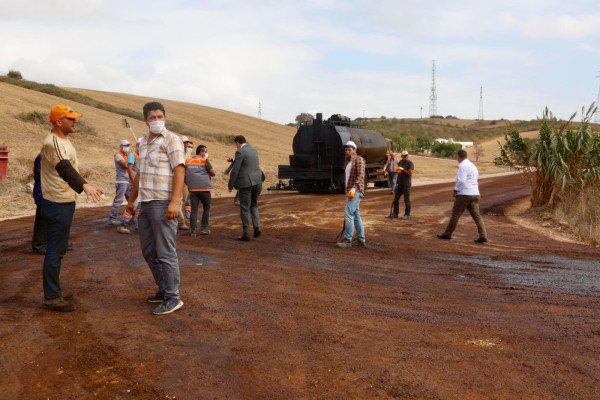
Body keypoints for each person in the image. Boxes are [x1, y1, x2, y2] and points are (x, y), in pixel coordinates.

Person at [40, 104, 103, 311]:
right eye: (71, 118)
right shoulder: (53, 143)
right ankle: (51, 297)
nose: (75, 121)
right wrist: (84, 185)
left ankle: (54, 292)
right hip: (57, 202)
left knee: (58, 249)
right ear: (59, 122)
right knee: (55, 250)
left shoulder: (63, 140)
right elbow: (64, 167)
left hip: (64, 200)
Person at [126, 101, 186, 315]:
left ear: (165, 117)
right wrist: (132, 200)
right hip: (146, 202)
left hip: (163, 201)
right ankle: (164, 289)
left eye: (160, 117)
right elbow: (139, 174)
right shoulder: (143, 143)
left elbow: (180, 170)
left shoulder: (172, 139)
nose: (157, 121)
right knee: (149, 251)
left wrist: (174, 202)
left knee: (166, 252)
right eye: (153, 117)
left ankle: (173, 297)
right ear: (145, 120)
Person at [437, 149, 488, 243]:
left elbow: (461, 181)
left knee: (456, 214)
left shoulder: (463, 166)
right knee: (477, 216)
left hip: (464, 194)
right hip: (475, 194)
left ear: (459, 157)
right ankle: (483, 235)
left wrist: (456, 190)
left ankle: (448, 234)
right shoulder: (472, 166)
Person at [228, 135, 264, 241]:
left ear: (238, 143)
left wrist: (231, 184)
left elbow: (235, 170)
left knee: (244, 208)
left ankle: (246, 234)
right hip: (258, 181)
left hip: (246, 183)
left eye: (236, 144)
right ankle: (257, 227)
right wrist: (234, 160)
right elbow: (247, 163)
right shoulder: (254, 150)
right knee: (254, 205)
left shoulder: (240, 151)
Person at [336, 141, 366, 248]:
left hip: (355, 191)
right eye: (346, 150)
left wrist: (353, 188)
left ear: (355, 150)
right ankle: (361, 239)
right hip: (350, 191)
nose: (347, 152)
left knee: (348, 213)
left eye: (349, 150)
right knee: (356, 215)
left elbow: (361, 175)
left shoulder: (359, 159)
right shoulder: (349, 162)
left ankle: (348, 239)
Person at [185, 144, 215, 236]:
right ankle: (204, 229)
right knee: (207, 208)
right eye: (205, 152)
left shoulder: (188, 161)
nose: (206, 153)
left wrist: (189, 184)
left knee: (194, 209)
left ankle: (193, 231)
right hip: (204, 188)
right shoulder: (204, 161)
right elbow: (212, 173)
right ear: (201, 152)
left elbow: (185, 175)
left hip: (192, 189)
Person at [118, 139, 141, 234]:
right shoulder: (133, 154)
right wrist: (133, 182)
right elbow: (130, 169)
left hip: (141, 184)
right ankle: (123, 224)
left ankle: (138, 226)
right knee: (133, 205)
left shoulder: (142, 155)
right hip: (134, 184)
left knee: (139, 206)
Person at [107, 139, 131, 225]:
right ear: (121, 146)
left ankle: (131, 217)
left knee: (131, 200)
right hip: (122, 181)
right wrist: (133, 162)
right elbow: (126, 165)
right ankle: (112, 218)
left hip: (128, 181)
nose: (127, 147)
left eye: (128, 146)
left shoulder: (128, 156)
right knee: (118, 200)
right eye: (125, 146)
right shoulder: (118, 155)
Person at [386, 150, 414, 220]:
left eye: (406, 155)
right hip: (400, 184)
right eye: (404, 155)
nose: (405, 156)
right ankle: (395, 213)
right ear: (402, 156)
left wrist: (403, 169)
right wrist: (397, 181)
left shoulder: (410, 163)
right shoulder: (400, 162)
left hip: (406, 184)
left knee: (406, 200)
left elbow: (410, 173)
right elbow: (399, 173)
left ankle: (407, 214)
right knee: (396, 199)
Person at [31, 153, 47, 254]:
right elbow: (41, 176)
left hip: (49, 192)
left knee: (56, 219)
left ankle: (57, 243)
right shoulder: (44, 156)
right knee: (43, 220)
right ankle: (38, 246)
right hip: (43, 191)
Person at [176, 136, 193, 230]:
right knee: (178, 200)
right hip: (178, 178)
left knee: (184, 200)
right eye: (184, 142)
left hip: (186, 179)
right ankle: (181, 222)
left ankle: (178, 218)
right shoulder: (177, 152)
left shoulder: (188, 153)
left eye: (187, 142)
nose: (186, 144)